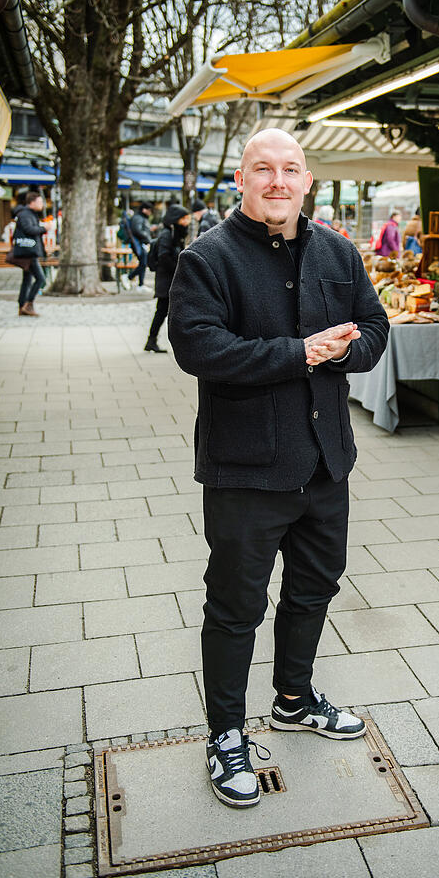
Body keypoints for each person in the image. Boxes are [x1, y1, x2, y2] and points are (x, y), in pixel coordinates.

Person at [168, 128, 388, 808]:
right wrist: (300, 353)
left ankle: (293, 698)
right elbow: (198, 347)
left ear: (307, 181)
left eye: (289, 169)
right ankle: (226, 733)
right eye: (262, 169)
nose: (277, 180)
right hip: (245, 470)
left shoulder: (339, 251)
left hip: (325, 465)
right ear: (240, 179)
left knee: (315, 587)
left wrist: (343, 352)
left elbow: (374, 329)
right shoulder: (207, 258)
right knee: (235, 605)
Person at [144, 205, 190, 353]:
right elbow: (163, 257)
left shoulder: (176, 233)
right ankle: (152, 340)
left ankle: (154, 341)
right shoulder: (166, 234)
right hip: (166, 281)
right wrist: (178, 270)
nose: (186, 222)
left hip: (172, 280)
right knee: (162, 311)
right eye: (183, 218)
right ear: (175, 219)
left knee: (172, 312)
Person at [13, 191, 47, 317]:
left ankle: (22, 305)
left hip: (27, 251)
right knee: (40, 279)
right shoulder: (26, 215)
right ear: (32, 202)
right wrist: (45, 228)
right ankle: (28, 304)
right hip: (28, 252)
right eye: (40, 201)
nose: (42, 204)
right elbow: (29, 229)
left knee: (27, 279)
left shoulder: (28, 214)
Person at [125, 201, 153, 292]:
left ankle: (141, 284)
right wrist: (147, 237)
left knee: (143, 263)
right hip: (139, 244)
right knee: (143, 264)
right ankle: (128, 277)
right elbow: (137, 230)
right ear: (144, 210)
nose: (150, 212)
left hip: (140, 243)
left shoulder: (140, 217)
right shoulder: (138, 218)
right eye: (149, 210)